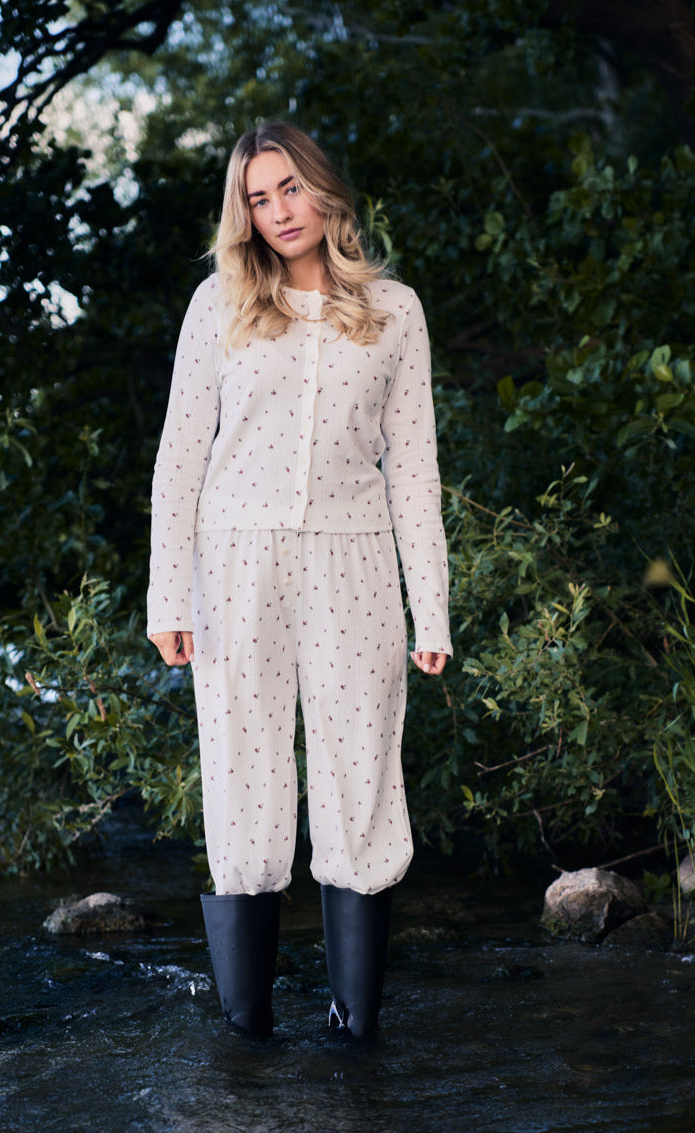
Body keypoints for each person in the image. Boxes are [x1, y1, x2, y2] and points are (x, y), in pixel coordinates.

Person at [147, 121, 451, 1039]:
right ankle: (247, 1027)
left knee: (361, 770)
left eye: (289, 188)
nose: (278, 210)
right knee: (243, 773)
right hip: (235, 563)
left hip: (355, 561)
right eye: (257, 197)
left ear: (323, 190)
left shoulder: (395, 310)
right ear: (242, 214)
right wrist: (169, 595)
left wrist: (430, 607)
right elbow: (178, 460)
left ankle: (356, 1026)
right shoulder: (219, 305)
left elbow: (416, 471)